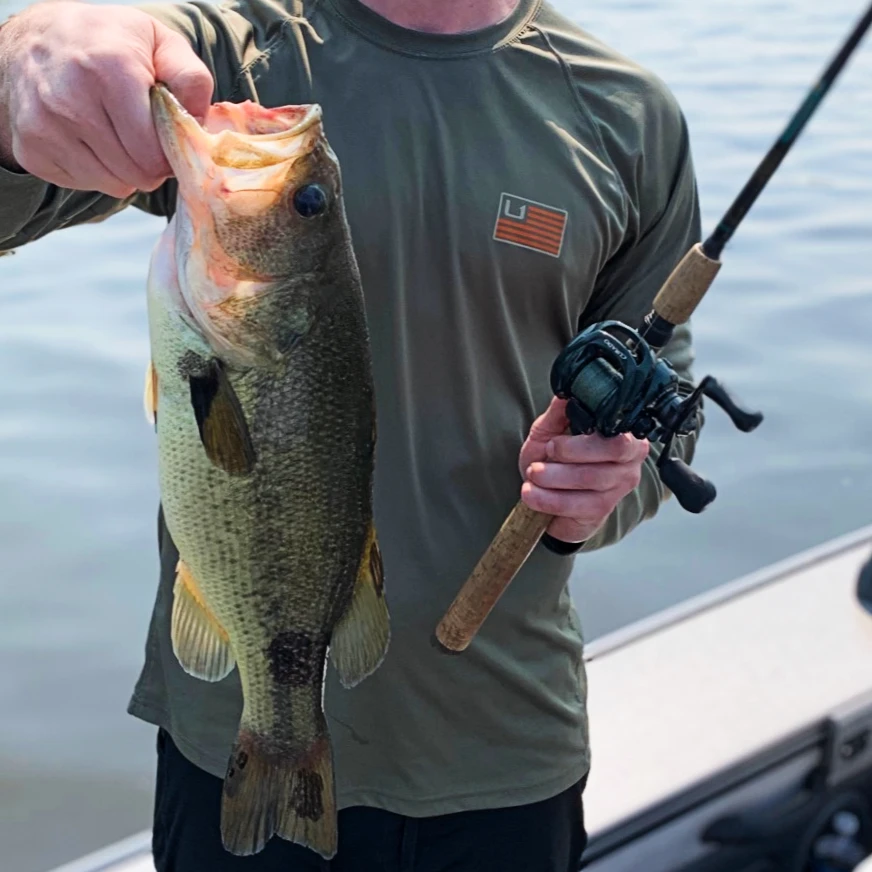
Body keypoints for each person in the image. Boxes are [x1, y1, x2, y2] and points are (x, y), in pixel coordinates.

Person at [0, 0, 703, 869]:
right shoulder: (233, 55)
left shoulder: (627, 114)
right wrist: (20, 65)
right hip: (231, 742)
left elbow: (668, 412)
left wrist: (610, 484)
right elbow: (24, 174)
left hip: (505, 744)